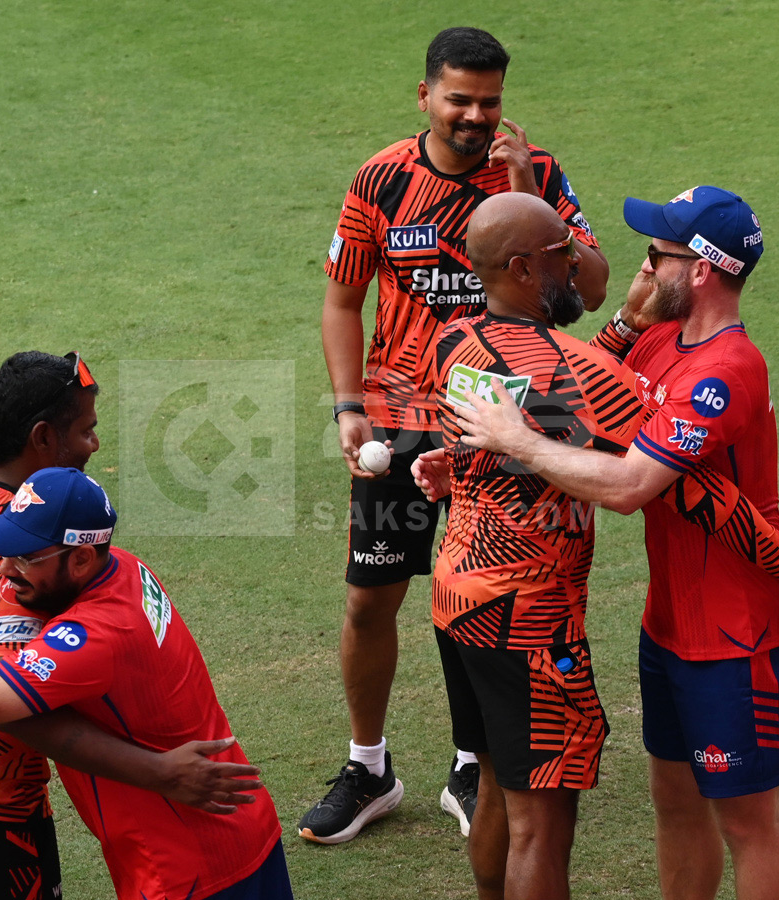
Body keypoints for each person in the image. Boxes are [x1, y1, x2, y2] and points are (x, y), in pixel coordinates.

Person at [419, 192, 779, 900]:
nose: (609, 265)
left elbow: (605, 442)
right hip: (552, 621)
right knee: (549, 821)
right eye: (565, 253)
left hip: (723, 631)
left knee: (738, 820)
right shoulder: (629, 354)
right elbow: (587, 411)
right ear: (523, 268)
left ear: (701, 270)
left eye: (655, 254)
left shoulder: (452, 337)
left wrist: (489, 453)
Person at [306, 24, 611, 844]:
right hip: (402, 424)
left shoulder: (533, 170)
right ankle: (368, 767)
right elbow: (342, 301)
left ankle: (472, 764)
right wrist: (348, 406)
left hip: (503, 424)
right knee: (372, 597)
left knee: (476, 603)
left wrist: (529, 197)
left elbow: (589, 286)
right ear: (426, 96)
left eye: (490, 101)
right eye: (460, 99)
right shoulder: (381, 177)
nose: (476, 116)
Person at [0, 351, 264, 899]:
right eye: (85, 430)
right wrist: (159, 773)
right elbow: (17, 714)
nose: (93, 446)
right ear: (42, 438)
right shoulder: (22, 560)